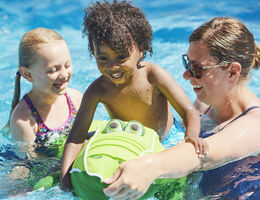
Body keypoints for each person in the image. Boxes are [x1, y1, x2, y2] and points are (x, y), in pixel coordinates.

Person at [102, 17, 260, 200]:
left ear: (233, 72)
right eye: (188, 64)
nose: (186, 75)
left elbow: (202, 155)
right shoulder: (203, 106)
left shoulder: (254, 125)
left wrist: (149, 166)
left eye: (198, 68)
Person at [61, 0, 205, 190]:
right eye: (102, 58)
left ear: (141, 49)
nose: (112, 66)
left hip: (165, 140)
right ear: (93, 52)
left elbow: (189, 112)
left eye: (121, 57)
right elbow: (77, 135)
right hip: (127, 140)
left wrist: (190, 140)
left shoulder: (154, 76)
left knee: (185, 186)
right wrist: (65, 177)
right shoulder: (98, 89)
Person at [8, 27, 82, 147]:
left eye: (67, 65)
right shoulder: (24, 119)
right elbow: (25, 164)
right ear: (27, 74)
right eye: (52, 70)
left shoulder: (76, 99)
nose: (63, 75)